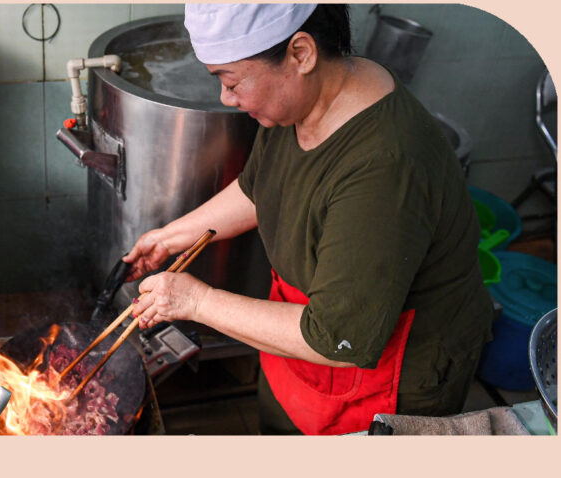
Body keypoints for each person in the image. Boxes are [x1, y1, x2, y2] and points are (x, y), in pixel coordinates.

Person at [122, 4, 494, 435]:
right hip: (303, 341)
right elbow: (259, 187)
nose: (226, 98)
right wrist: (171, 238)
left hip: (383, 376)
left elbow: (338, 337)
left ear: (300, 53)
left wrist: (196, 302)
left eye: (231, 81)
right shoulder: (302, 99)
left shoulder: (384, 166)